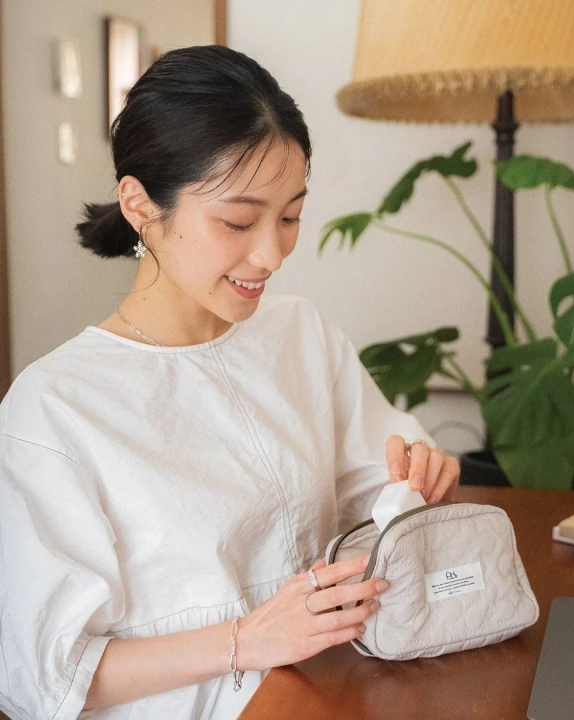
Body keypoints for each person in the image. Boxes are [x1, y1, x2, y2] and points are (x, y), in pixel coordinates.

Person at [0, 45, 460, 718]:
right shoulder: (54, 410)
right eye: (238, 221)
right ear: (140, 207)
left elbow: (373, 492)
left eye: (291, 215)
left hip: (337, 692)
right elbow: (46, 676)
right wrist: (249, 638)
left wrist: (413, 480)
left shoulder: (299, 334)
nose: (271, 252)